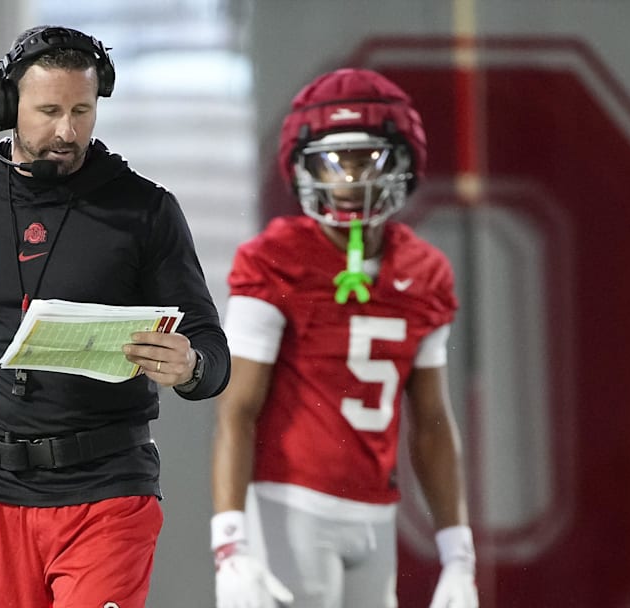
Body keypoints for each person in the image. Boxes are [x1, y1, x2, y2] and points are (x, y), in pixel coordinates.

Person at [0, 24, 230, 608]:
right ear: (6, 106)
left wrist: (191, 366)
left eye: (83, 110)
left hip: (108, 490)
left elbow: (211, 350)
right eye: (49, 110)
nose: (68, 130)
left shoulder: (146, 208)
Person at [210, 68, 479, 608]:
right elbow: (237, 410)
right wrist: (229, 542)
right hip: (292, 503)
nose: (351, 178)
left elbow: (431, 421)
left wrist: (459, 552)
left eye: (367, 158)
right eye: (334, 161)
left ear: (403, 161)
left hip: (377, 510)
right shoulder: (275, 260)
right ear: (305, 165)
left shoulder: (425, 272)